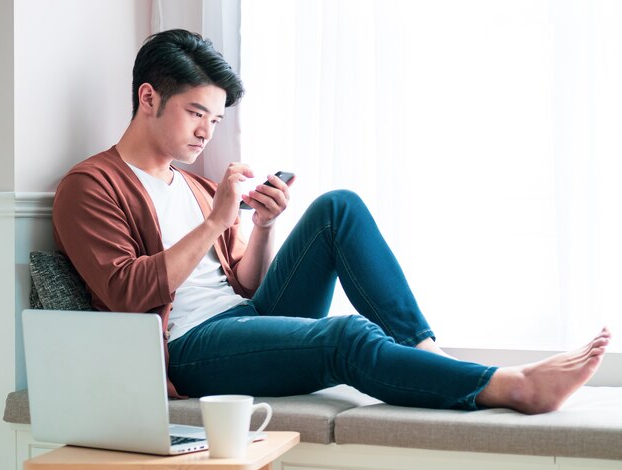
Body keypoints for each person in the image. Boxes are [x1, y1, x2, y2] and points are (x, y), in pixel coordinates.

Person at [52, 29, 610, 414]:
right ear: (149, 98)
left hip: (244, 319)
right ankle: (510, 388)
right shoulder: (91, 185)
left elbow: (245, 284)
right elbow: (127, 293)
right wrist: (217, 219)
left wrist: (263, 227)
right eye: (195, 113)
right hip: (191, 351)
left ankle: (427, 354)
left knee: (337, 207)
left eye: (215, 118)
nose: (206, 131)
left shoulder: (195, 186)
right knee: (346, 336)